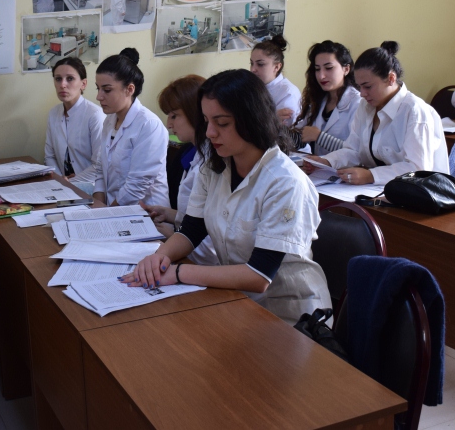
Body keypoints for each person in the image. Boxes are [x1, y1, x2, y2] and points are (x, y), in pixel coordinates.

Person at [122, 69, 330, 322]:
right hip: (236, 299)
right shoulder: (214, 167)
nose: (210, 132)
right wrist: (158, 259)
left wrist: (177, 272)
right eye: (206, 121)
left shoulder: (285, 182)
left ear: (252, 120)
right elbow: (192, 230)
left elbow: (259, 275)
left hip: (289, 314)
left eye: (221, 123)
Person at [313, 41, 448, 185]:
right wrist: (327, 161)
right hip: (380, 190)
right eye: (359, 86)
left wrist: (371, 175)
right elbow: (354, 150)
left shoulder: (415, 111)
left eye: (367, 86)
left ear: (391, 79)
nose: (362, 93)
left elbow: (418, 169)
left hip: (421, 192)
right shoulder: (365, 106)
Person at [140, 75, 218, 264]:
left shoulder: (214, 162)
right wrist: (170, 214)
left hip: (204, 264)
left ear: (196, 113)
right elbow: (199, 217)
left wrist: (173, 236)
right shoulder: (193, 154)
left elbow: (211, 245)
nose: (169, 124)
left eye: (174, 115)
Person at [93, 48, 169, 207]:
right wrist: (98, 205)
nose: (99, 96)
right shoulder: (110, 120)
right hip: (112, 208)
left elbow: (137, 185)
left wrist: (107, 213)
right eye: (98, 88)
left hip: (146, 212)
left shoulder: (149, 125)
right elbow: (100, 169)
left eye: (107, 90)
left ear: (129, 89)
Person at [290, 40, 361, 159]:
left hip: (345, 169)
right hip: (319, 167)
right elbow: (302, 137)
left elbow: (357, 152)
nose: (321, 76)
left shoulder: (357, 103)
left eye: (329, 68)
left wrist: (319, 137)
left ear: (346, 69)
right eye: (317, 69)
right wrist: (275, 125)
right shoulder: (318, 99)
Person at [44, 57, 104, 192]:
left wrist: (69, 183)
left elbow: (99, 165)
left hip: (92, 187)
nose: (63, 85)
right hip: (61, 185)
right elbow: (49, 156)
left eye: (70, 79)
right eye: (58, 79)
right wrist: (60, 179)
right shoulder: (53, 113)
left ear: (83, 84)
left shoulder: (95, 115)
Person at [250, 35, 301, 125]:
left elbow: (282, 130)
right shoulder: (252, 86)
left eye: (260, 64)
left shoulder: (288, 93)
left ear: (276, 67)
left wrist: (268, 119)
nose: (253, 69)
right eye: (251, 63)